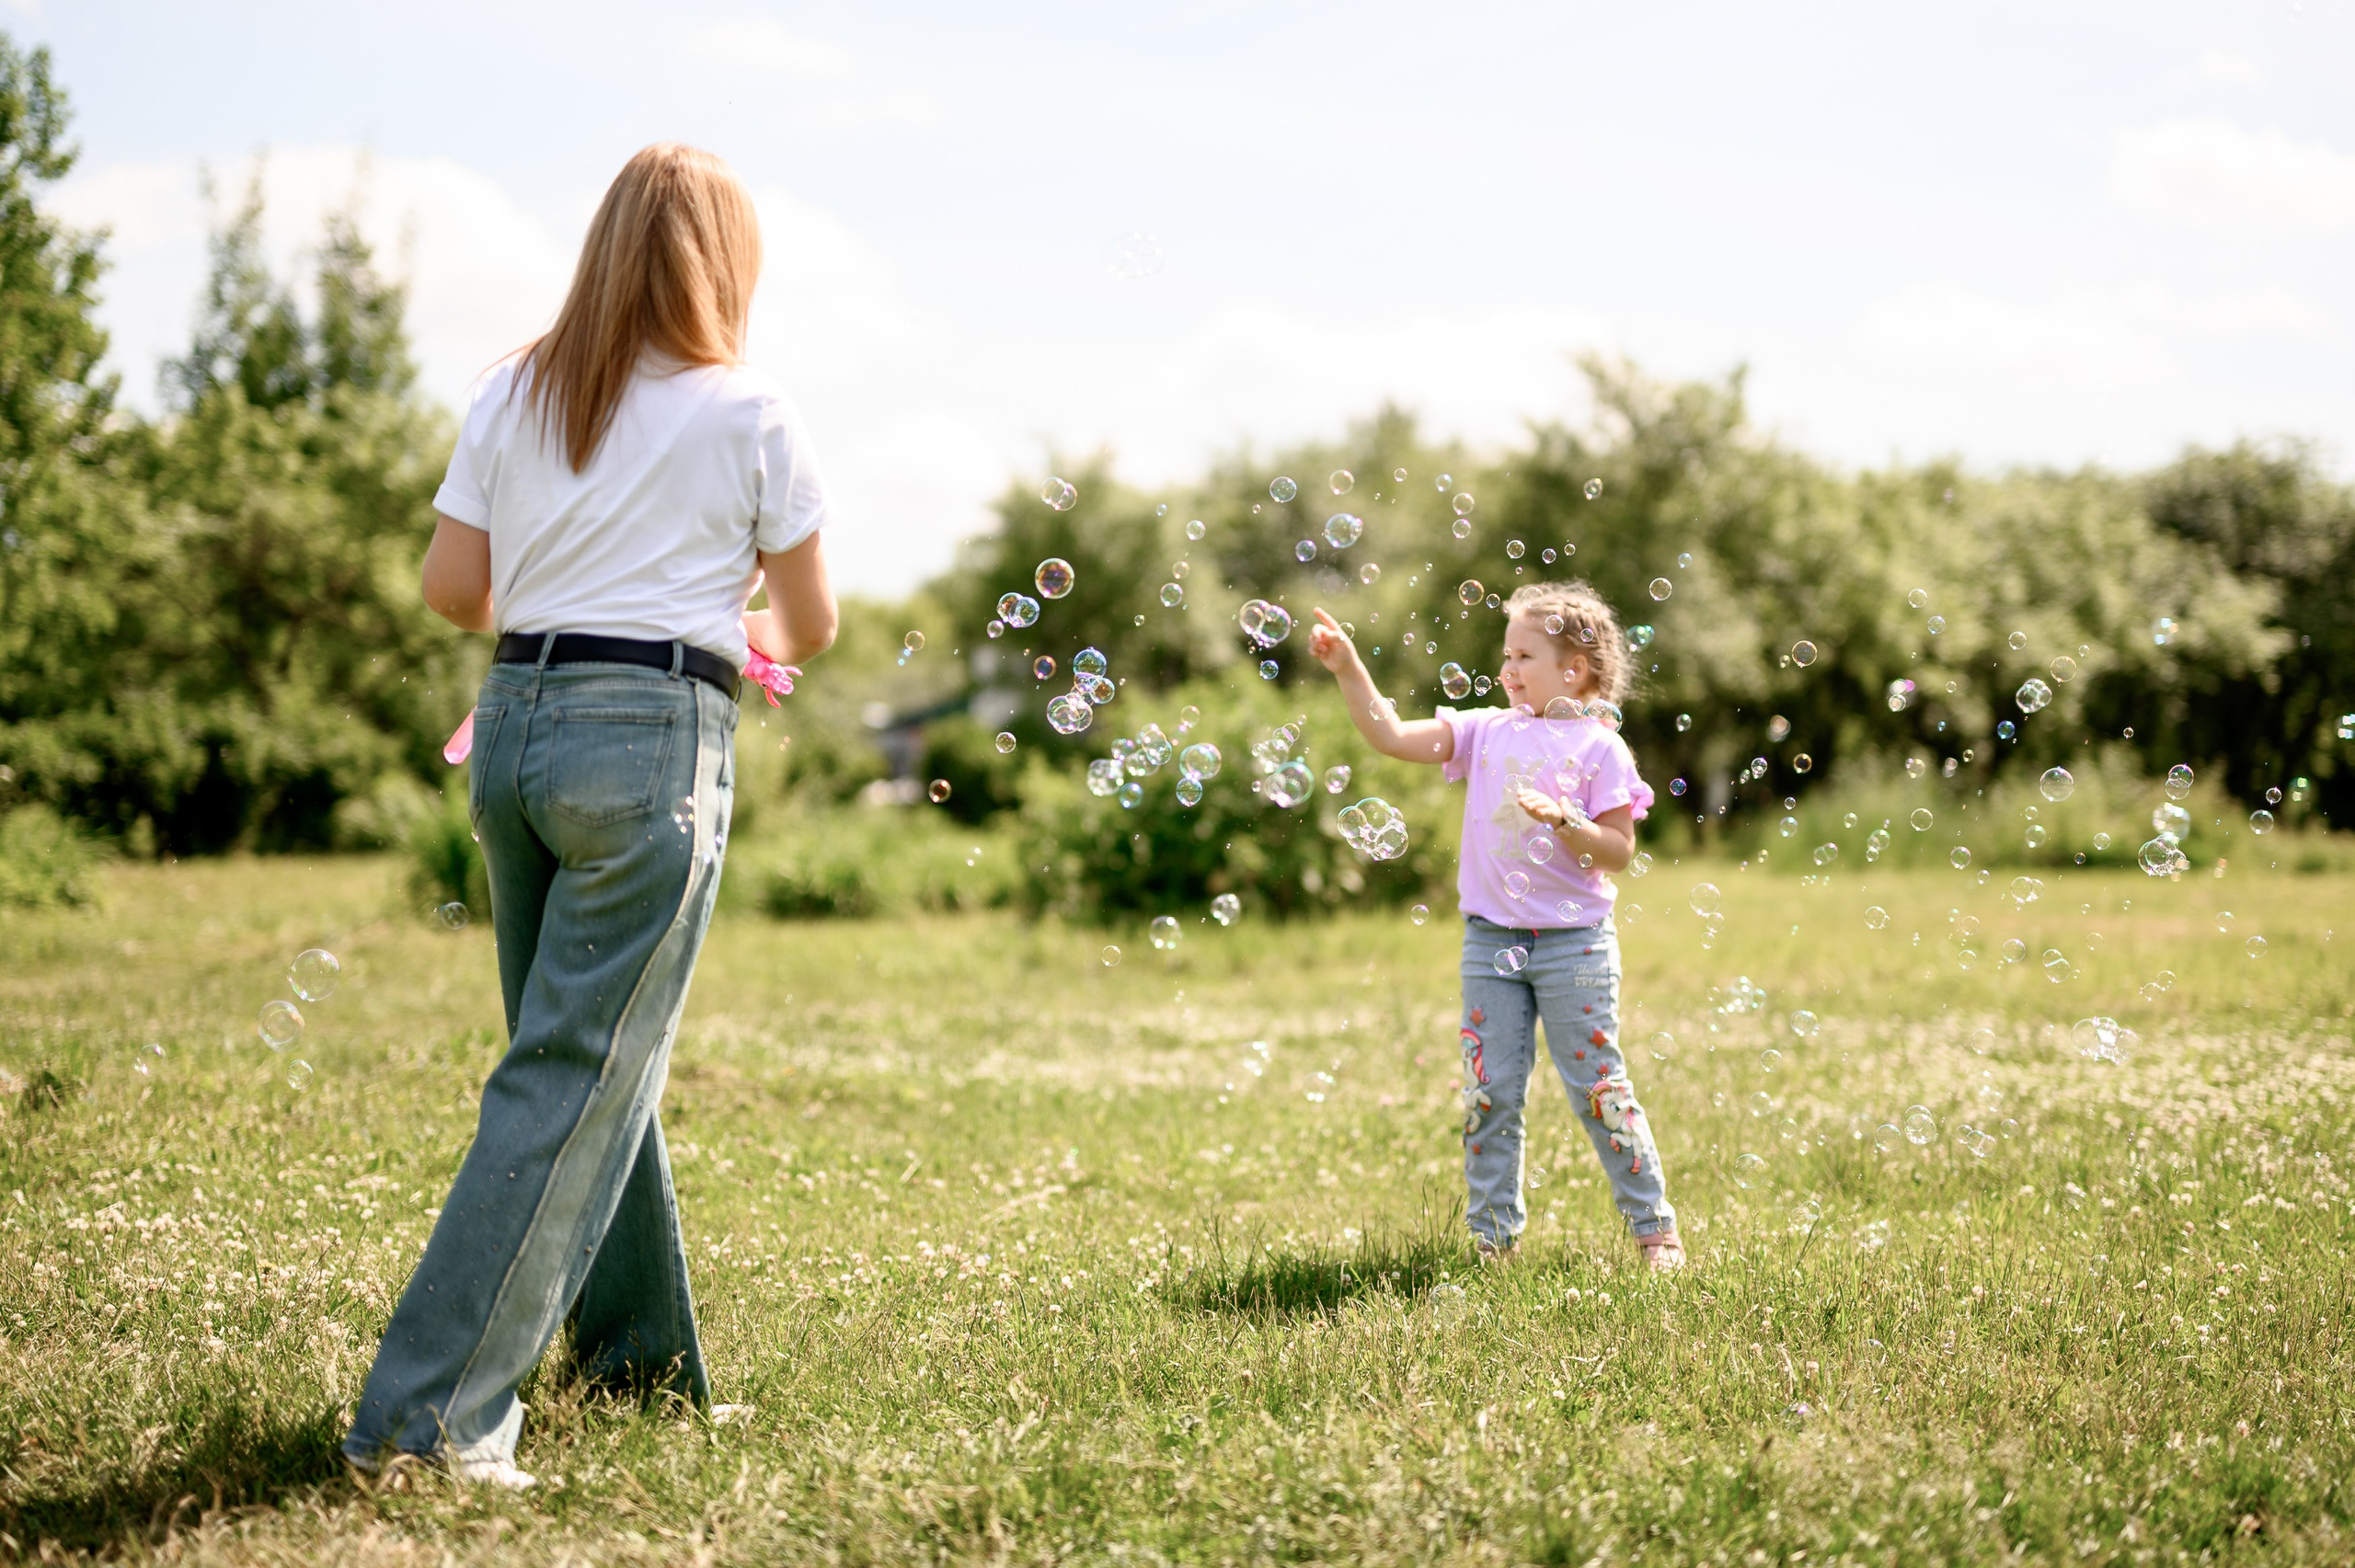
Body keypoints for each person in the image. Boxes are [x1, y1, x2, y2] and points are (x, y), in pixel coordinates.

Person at [343, 143, 839, 1487]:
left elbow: (454, 590)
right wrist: (697, 612)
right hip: (649, 739)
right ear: (726, 264)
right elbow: (809, 625)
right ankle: (425, 1426)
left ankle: (638, 1364)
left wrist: (581, 590)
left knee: (582, 1049)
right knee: (573, 1066)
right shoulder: (750, 410)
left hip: (510, 727)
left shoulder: (516, 383)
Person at [1308, 581, 1682, 1269]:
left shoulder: (1602, 751)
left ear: (1574, 669)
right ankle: (1493, 1241)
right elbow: (1389, 735)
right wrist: (1347, 668)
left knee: (1599, 1088)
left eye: (1525, 655)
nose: (1507, 668)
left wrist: (1566, 821)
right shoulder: (1484, 729)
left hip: (1575, 946)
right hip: (1491, 941)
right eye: (1506, 654)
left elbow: (1620, 851)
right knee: (1491, 1093)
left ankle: (1655, 1231)